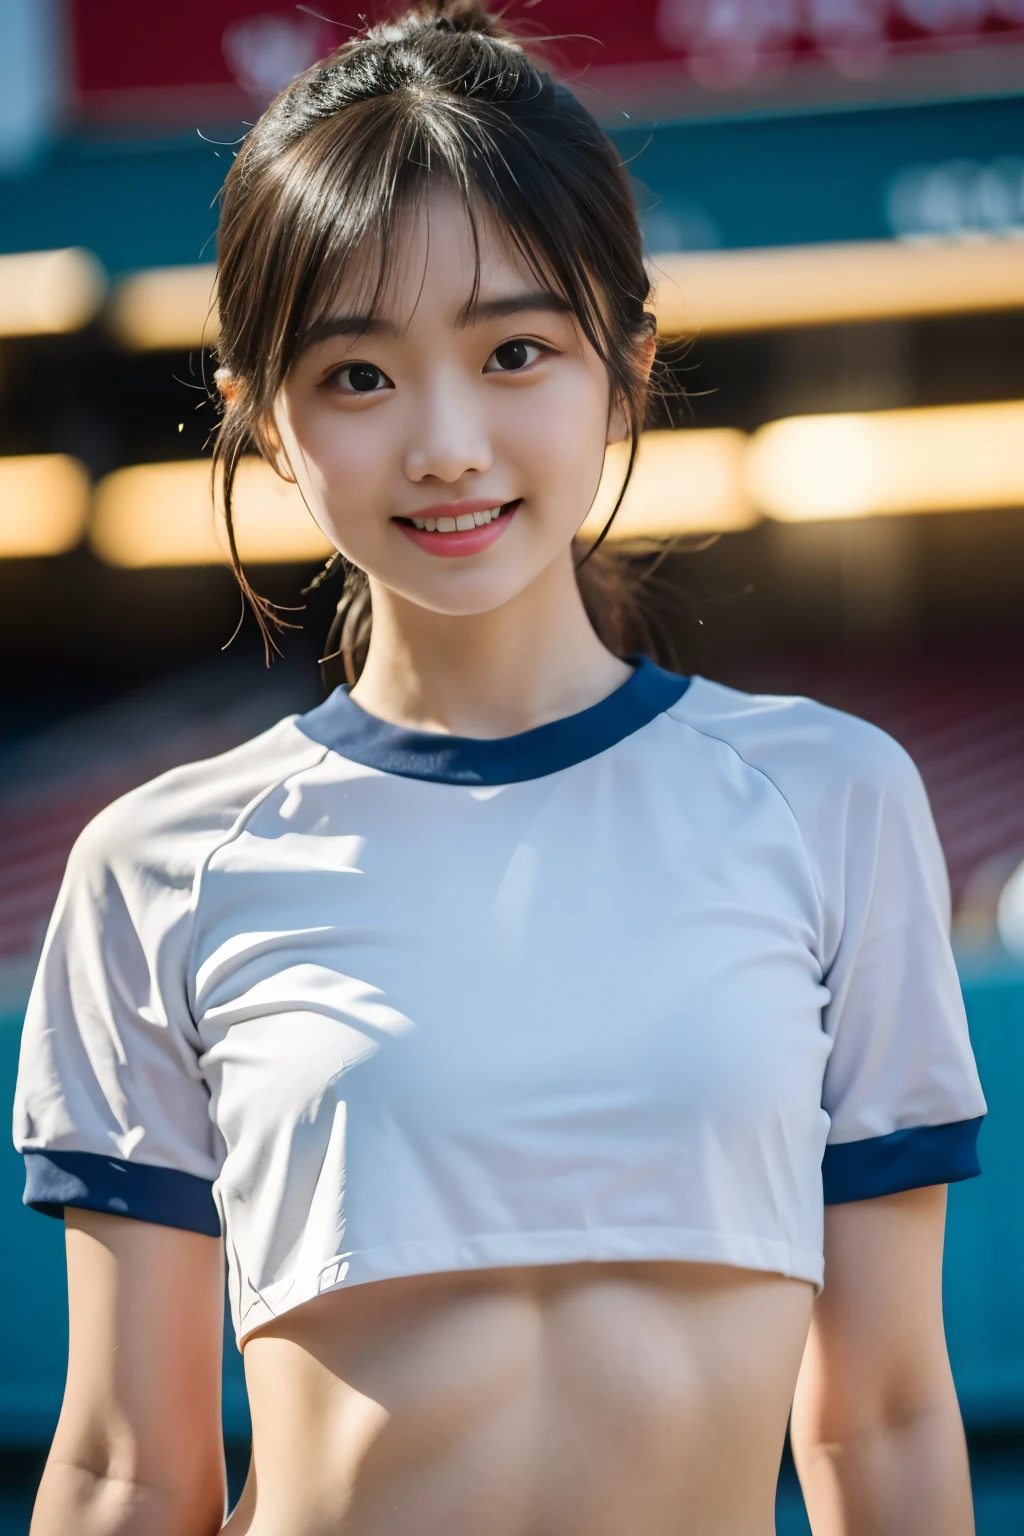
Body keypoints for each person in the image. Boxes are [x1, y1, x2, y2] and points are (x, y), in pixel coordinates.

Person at [13, 4, 987, 1533]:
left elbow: (883, 1419)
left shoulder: (829, 804)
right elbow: (129, 1463)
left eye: (516, 350)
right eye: (357, 376)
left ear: (628, 364)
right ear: (263, 418)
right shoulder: (158, 869)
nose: (448, 443)